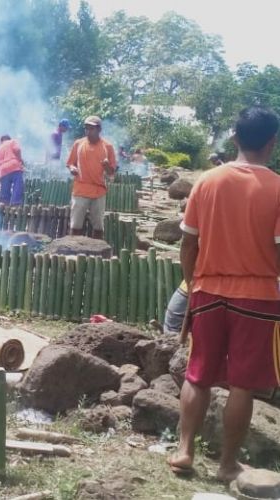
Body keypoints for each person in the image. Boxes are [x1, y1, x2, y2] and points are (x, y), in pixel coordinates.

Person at [169, 106, 280, 483]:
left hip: (208, 290)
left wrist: (193, 284)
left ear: (234, 138)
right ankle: (227, 464)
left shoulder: (207, 181)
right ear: (272, 142)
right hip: (259, 297)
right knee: (243, 383)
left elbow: (188, 244)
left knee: (197, 373)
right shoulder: (278, 188)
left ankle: (184, 450)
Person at [66, 115, 117, 239]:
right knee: (75, 224)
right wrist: (72, 168)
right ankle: (73, 250)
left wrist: (106, 166)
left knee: (98, 226)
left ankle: (97, 254)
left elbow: (111, 173)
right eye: (86, 128)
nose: (88, 131)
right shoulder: (78, 144)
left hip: (98, 191)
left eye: (91, 129)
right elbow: (70, 163)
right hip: (80, 189)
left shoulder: (107, 147)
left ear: (99, 129)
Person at [0, 134, 25, 205]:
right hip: (14, 167)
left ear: (1, 141)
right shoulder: (12, 141)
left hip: (3, 170)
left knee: (5, 191)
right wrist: (20, 159)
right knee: (17, 186)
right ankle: (15, 203)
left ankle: (4, 205)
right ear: (9, 139)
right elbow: (18, 149)